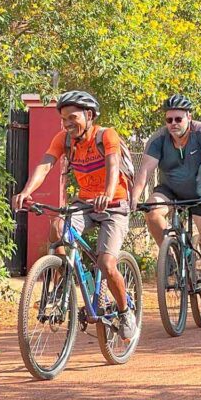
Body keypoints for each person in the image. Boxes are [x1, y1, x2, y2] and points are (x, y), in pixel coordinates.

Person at [11, 90, 136, 341]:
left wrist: (107, 193)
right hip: (85, 203)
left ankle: (125, 312)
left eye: (72, 117)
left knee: (106, 263)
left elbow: (113, 165)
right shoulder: (64, 140)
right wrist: (26, 191)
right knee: (58, 228)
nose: (67, 124)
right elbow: (45, 165)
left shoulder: (106, 135)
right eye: (63, 119)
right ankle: (60, 286)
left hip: (114, 205)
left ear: (89, 115)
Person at [129, 94, 201, 317]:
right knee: (152, 212)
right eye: (169, 119)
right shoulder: (158, 139)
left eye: (178, 119)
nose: (173, 123)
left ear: (189, 118)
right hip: (170, 190)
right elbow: (144, 170)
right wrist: (134, 198)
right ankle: (171, 259)